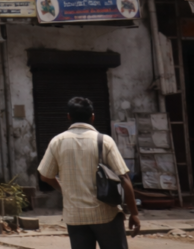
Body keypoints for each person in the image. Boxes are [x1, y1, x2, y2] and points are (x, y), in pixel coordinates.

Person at [38, 96, 141, 249]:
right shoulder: (104, 141)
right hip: (106, 214)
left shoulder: (57, 142)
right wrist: (134, 213)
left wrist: (63, 189)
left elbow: (45, 176)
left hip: (75, 216)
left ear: (69, 116)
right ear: (93, 116)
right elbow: (124, 178)